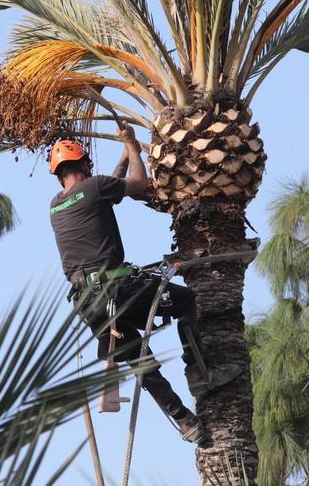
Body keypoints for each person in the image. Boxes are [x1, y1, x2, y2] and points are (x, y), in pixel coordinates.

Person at [46, 125, 236, 443]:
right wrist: (132, 145)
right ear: (83, 166)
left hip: (89, 305)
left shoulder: (56, 204)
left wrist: (121, 155)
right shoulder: (94, 188)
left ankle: (184, 420)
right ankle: (200, 374)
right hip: (118, 290)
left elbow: (104, 192)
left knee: (141, 362)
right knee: (186, 300)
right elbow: (136, 184)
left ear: (59, 174)